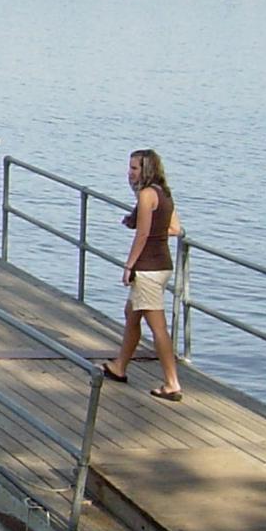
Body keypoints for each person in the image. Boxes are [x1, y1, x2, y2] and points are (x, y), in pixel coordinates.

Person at [101, 148, 185, 400]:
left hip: (148, 268)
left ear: (146, 169)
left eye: (134, 168)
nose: (129, 172)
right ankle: (119, 366)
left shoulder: (147, 195)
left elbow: (143, 234)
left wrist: (129, 266)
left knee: (157, 327)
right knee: (132, 314)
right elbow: (175, 228)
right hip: (162, 265)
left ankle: (172, 383)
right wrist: (143, 222)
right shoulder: (163, 193)